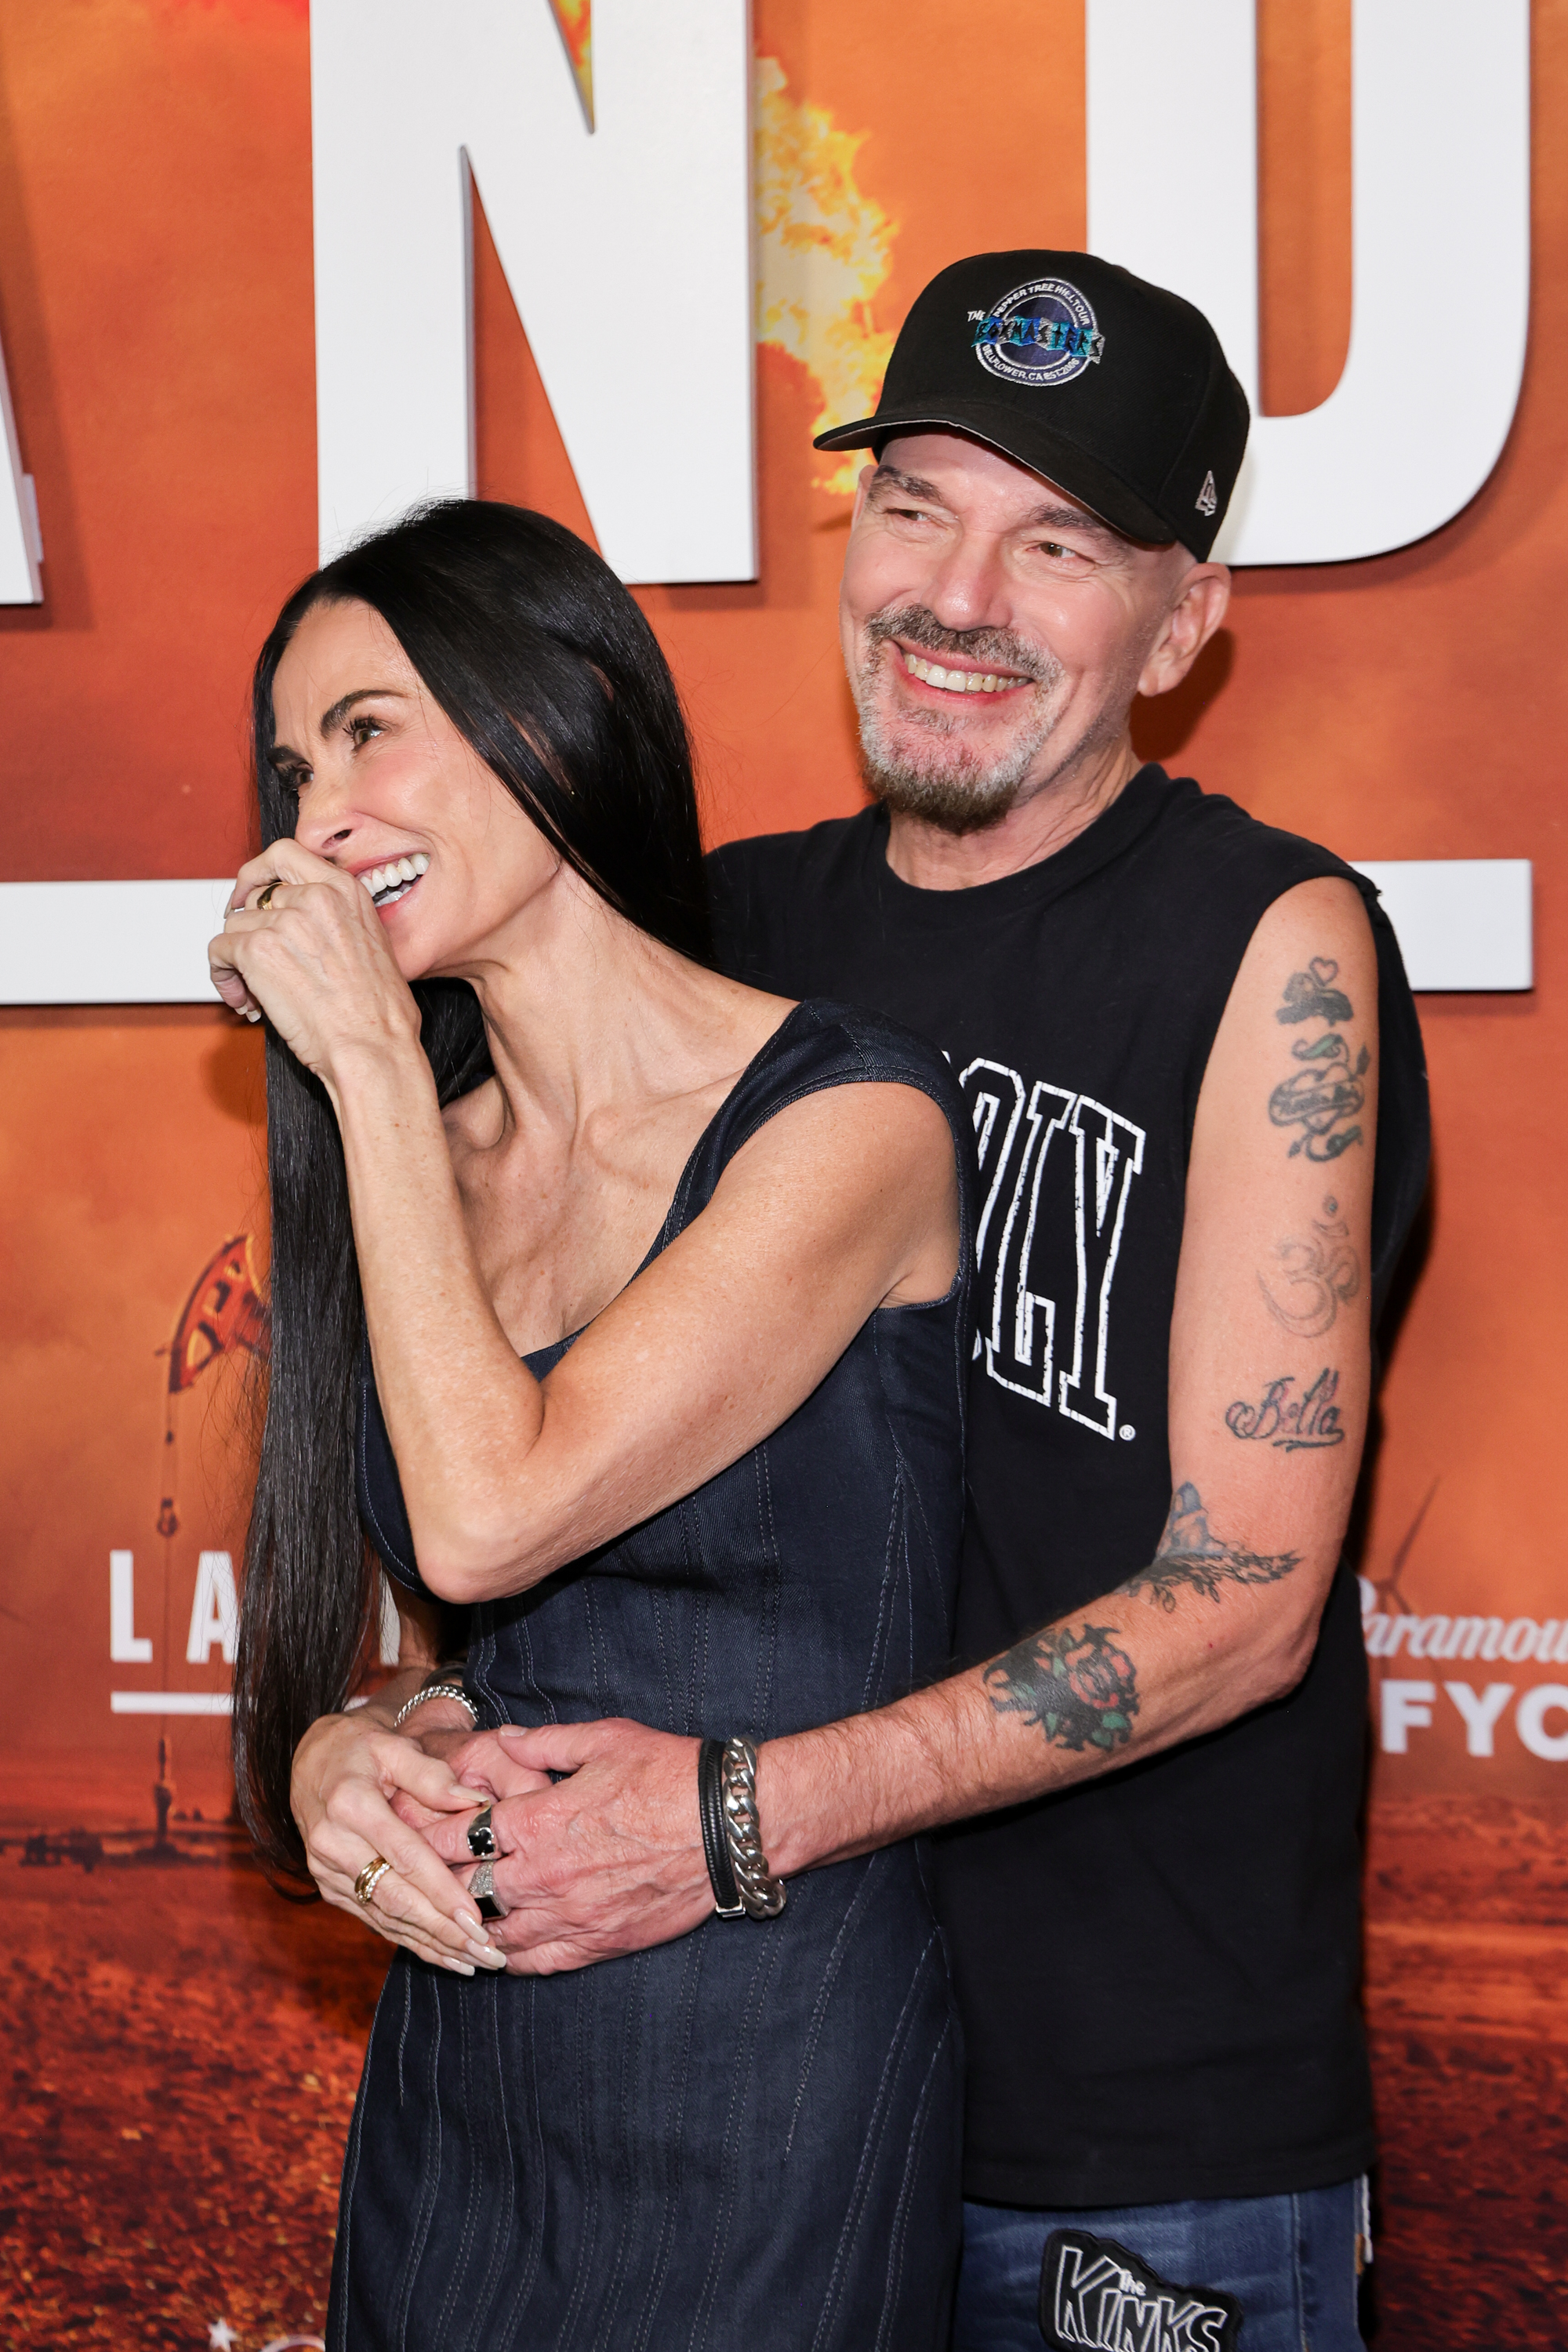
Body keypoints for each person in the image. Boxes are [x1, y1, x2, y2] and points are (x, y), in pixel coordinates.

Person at [299, 256, 1431, 2350]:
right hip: (736, 2101)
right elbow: (524, 1511)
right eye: (916, 506)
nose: (956, 597)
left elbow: (1244, 1600)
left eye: (1057, 544)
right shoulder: (723, 940)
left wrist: (734, 1819)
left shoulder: (1269, 948)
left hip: (1127, 2129)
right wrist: (368, 1739)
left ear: (1183, 624)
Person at [212, 499, 978, 2349]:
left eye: (368, 730)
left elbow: (494, 1512)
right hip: (466, 2063)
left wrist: (368, 1066)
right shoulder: (419, 1158)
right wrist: (337, 1752)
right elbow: (425, 1631)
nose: (319, 821)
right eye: (293, 771)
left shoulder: (848, 1122)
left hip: (763, 2062)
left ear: (555, 714)